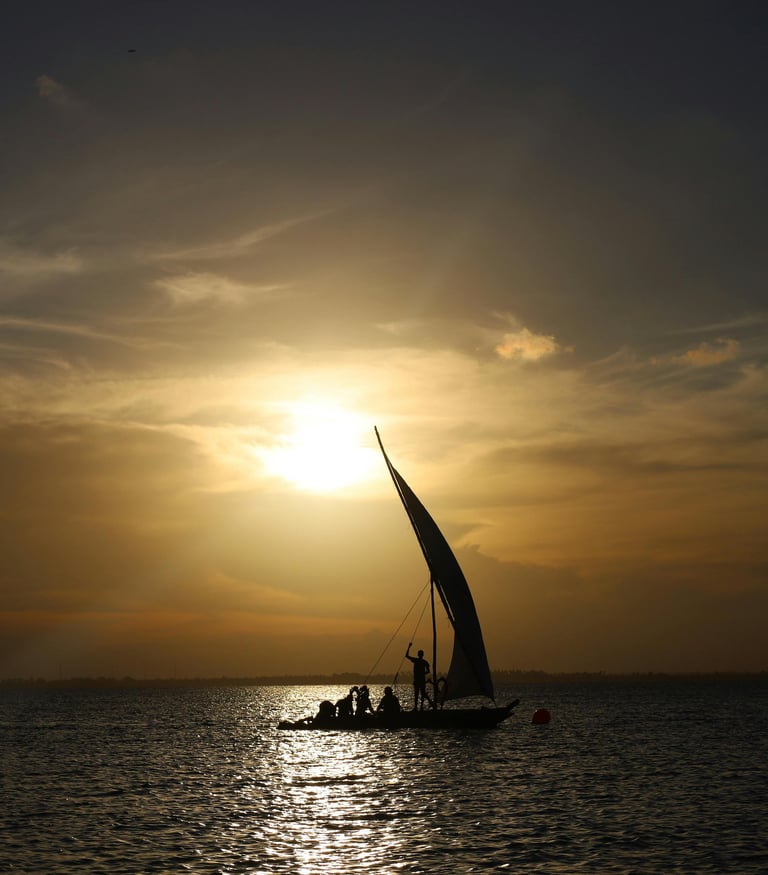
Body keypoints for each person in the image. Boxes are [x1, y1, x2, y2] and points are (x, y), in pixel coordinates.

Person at [405, 642, 432, 710]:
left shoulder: (420, 661)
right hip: (419, 680)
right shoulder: (421, 661)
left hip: (419, 680)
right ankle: (418, 707)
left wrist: (409, 647)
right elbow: (428, 671)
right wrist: (409, 647)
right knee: (419, 694)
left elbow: (407, 655)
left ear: (419, 655)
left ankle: (419, 707)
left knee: (419, 694)